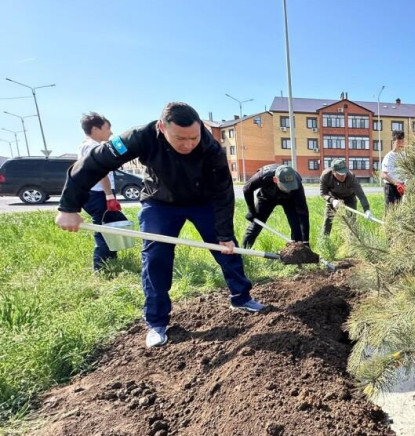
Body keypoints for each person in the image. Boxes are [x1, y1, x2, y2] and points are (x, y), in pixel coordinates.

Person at [56, 102, 264, 348]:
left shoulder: (211, 147)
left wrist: (224, 234)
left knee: (227, 249)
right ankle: (156, 321)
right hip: (160, 202)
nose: (188, 144)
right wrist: (68, 207)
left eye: (194, 138)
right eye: (180, 138)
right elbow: (95, 163)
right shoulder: (139, 137)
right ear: (162, 128)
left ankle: (241, 297)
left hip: (203, 201)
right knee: (156, 257)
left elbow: (223, 192)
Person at [78, 112, 127, 271]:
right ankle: (100, 268)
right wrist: (109, 196)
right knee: (103, 229)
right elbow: (101, 173)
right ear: (95, 129)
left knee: (110, 225)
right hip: (98, 194)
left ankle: (111, 261)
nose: (111, 132)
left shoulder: (86, 145)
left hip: (95, 193)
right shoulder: (93, 147)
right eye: (107, 128)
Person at [241, 164, 310, 249]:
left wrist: (306, 241)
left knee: (296, 226)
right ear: (275, 180)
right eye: (286, 186)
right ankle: (244, 251)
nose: (288, 189)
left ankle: (297, 252)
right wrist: (251, 211)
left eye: (290, 186)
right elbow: (247, 188)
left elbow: (303, 212)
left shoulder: (297, 183)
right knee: (256, 225)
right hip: (267, 198)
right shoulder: (264, 176)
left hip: (289, 200)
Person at [319, 158, 372, 235]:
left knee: (351, 220)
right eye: (340, 174)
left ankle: (351, 239)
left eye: (344, 173)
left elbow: (361, 194)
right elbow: (323, 193)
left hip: (349, 197)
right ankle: (324, 238)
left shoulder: (351, 177)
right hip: (333, 197)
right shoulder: (326, 176)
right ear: (333, 172)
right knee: (328, 219)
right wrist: (332, 200)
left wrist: (366, 209)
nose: (343, 176)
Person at [381, 130, 406, 206]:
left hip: (401, 187)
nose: (400, 144)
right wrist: (396, 183)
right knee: (390, 209)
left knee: (399, 209)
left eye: (402, 142)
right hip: (390, 187)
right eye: (398, 142)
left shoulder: (404, 155)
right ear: (393, 142)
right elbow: (383, 175)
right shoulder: (388, 157)